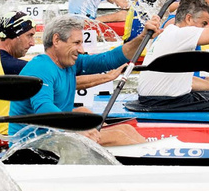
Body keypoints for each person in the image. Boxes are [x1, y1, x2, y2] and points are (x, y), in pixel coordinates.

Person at [8, 14, 159, 146]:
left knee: (125, 129)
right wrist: (75, 129)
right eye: (76, 43)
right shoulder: (40, 68)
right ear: (56, 40)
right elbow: (43, 108)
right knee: (119, 135)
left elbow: (109, 59)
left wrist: (141, 38)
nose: (81, 50)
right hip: (30, 145)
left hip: (53, 134)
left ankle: (148, 152)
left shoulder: (70, 63)